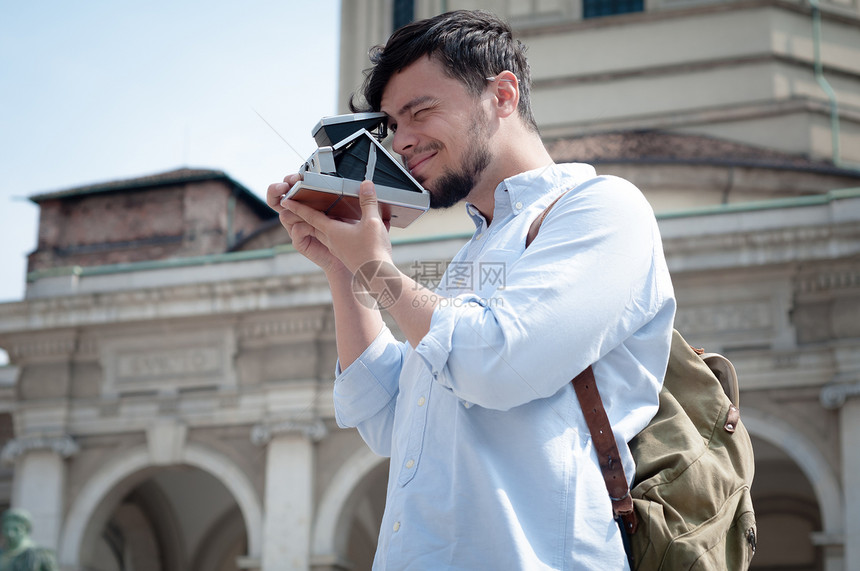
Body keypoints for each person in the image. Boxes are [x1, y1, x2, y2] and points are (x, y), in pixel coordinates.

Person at [268, 9, 676, 570]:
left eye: (421, 111)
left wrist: (376, 266)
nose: (403, 143)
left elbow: (499, 360)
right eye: (391, 125)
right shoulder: (467, 262)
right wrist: (344, 267)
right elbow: (387, 418)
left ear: (502, 95)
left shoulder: (602, 208)